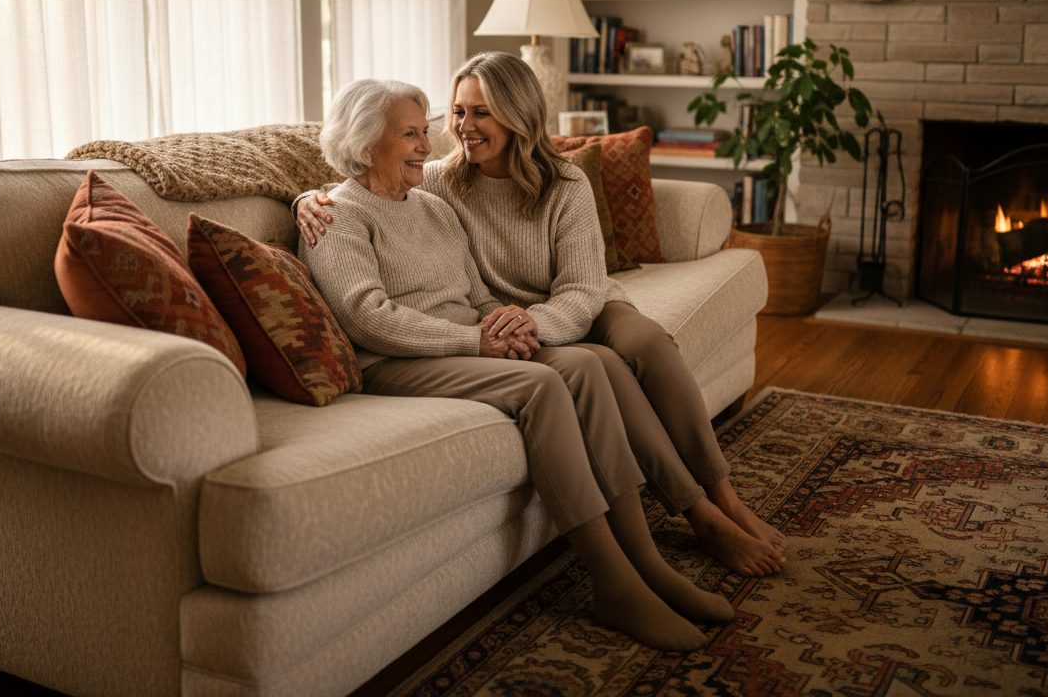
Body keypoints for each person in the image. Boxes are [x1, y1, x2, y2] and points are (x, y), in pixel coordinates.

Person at [298, 54, 787, 578]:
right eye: (459, 112)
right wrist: (306, 199)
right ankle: (692, 516)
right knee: (599, 367)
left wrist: (537, 325)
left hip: (580, 304)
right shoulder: (439, 183)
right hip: (500, 320)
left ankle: (722, 498)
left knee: (646, 345)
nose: (462, 128)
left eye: (481, 113)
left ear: (516, 114)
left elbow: (581, 289)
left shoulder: (566, 184)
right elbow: (363, 187)